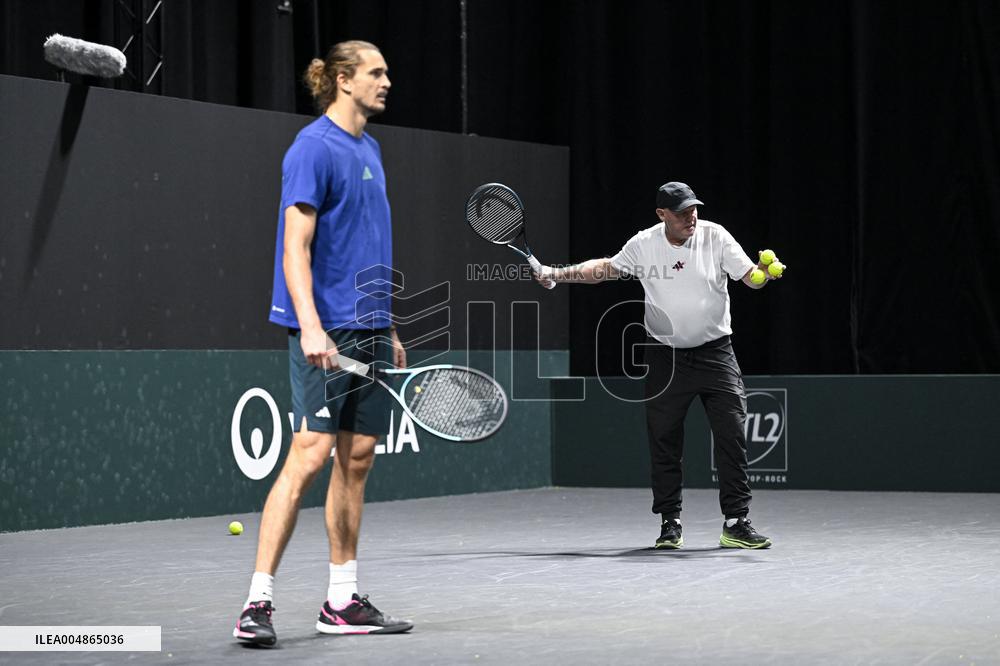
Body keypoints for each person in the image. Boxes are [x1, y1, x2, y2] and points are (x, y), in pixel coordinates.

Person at [234, 40, 412, 647]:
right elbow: (295, 246)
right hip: (326, 326)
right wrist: (309, 324)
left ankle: (342, 600)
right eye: (376, 72)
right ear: (343, 79)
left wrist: (387, 326)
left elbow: (369, 244)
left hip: (368, 323)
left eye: (385, 73)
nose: (387, 81)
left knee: (356, 457)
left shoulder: (373, 148)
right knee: (310, 453)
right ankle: (256, 602)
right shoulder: (312, 148)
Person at [535, 182, 778, 550]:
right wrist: (557, 273)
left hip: (716, 353)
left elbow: (750, 278)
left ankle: (736, 521)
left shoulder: (716, 236)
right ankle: (670, 522)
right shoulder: (644, 244)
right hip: (665, 357)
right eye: (681, 211)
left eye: (693, 208)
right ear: (661, 214)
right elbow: (604, 269)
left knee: (732, 434)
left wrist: (762, 272)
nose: (690, 216)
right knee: (664, 440)